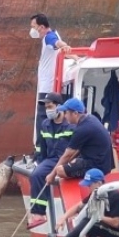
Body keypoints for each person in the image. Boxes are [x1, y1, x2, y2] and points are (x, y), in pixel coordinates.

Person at [37, 168, 119, 237]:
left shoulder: (115, 196)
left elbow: (116, 223)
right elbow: (78, 206)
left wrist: (98, 216)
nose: (88, 188)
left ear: (99, 184)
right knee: (88, 219)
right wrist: (63, 217)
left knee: (90, 220)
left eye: (89, 185)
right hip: (111, 230)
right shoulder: (96, 194)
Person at [27, 93, 74, 229]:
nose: (48, 110)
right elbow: (41, 146)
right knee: (36, 174)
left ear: (59, 106)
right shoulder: (45, 124)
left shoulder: (70, 125)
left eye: (50, 106)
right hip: (52, 159)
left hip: (69, 159)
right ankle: (39, 213)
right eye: (46, 107)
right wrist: (39, 163)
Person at [45, 97, 114, 185]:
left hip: (97, 166)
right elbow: (75, 152)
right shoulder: (90, 119)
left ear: (75, 113)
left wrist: (52, 175)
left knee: (60, 170)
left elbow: (67, 155)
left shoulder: (82, 129)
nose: (64, 116)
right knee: (71, 162)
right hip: (105, 163)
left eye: (66, 112)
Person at [29, 14, 74, 98]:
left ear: (41, 27)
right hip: (51, 87)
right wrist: (76, 58)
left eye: (34, 27)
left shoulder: (48, 37)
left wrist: (65, 46)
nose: (32, 30)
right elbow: (63, 50)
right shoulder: (54, 34)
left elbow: (57, 43)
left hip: (47, 89)